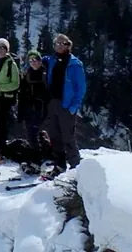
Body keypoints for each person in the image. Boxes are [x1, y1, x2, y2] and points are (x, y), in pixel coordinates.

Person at [42, 34, 87, 172]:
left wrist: (73, 107)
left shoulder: (75, 64)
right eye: (57, 43)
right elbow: (40, 59)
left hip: (66, 105)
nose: (60, 46)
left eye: (63, 43)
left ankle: (76, 168)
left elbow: (81, 88)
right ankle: (60, 165)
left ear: (69, 45)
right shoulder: (52, 60)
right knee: (54, 136)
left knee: (68, 137)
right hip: (53, 103)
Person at [17, 50, 49, 140]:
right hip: (29, 110)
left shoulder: (46, 74)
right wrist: (20, 113)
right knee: (31, 135)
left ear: (40, 60)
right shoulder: (27, 74)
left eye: (35, 60)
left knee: (41, 134)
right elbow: (22, 94)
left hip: (42, 110)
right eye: (31, 61)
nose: (33, 63)